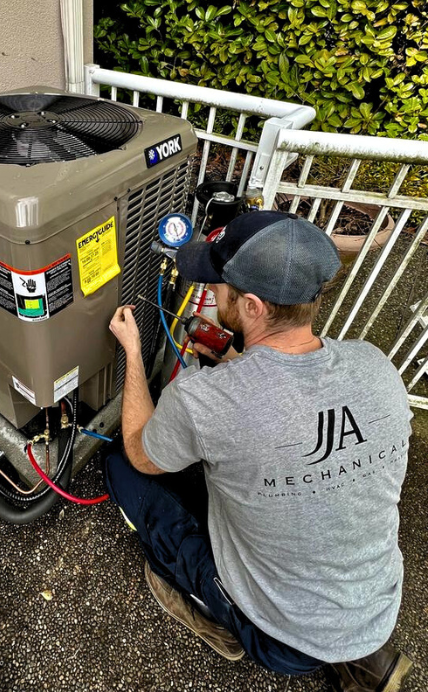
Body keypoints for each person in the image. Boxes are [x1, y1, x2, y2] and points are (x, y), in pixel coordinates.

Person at [107, 211, 413, 692]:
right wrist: (238, 365)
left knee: (122, 472)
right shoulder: (375, 366)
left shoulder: (207, 400)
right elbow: (296, 419)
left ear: (250, 305)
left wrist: (130, 350)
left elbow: (140, 451)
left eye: (220, 287)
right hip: (376, 605)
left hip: (281, 641)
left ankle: (221, 620)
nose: (214, 294)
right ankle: (360, 657)